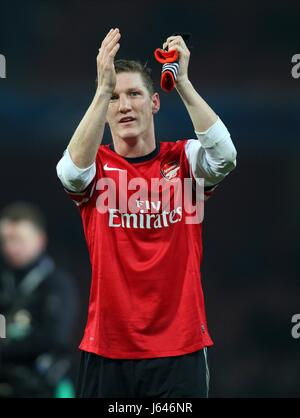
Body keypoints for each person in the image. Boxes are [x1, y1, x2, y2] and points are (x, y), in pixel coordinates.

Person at [56, 28, 237, 398]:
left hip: (181, 349)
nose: (124, 106)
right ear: (103, 108)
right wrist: (99, 91)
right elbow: (71, 174)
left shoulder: (183, 159)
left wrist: (183, 82)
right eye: (115, 97)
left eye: (134, 94)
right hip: (108, 349)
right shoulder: (98, 166)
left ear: (154, 103)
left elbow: (225, 157)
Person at [0, 202, 78, 397]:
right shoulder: (4, 280)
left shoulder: (57, 284)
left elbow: (55, 338)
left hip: (45, 386)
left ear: (40, 240)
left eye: (19, 240)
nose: (12, 247)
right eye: (6, 240)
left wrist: (7, 347)